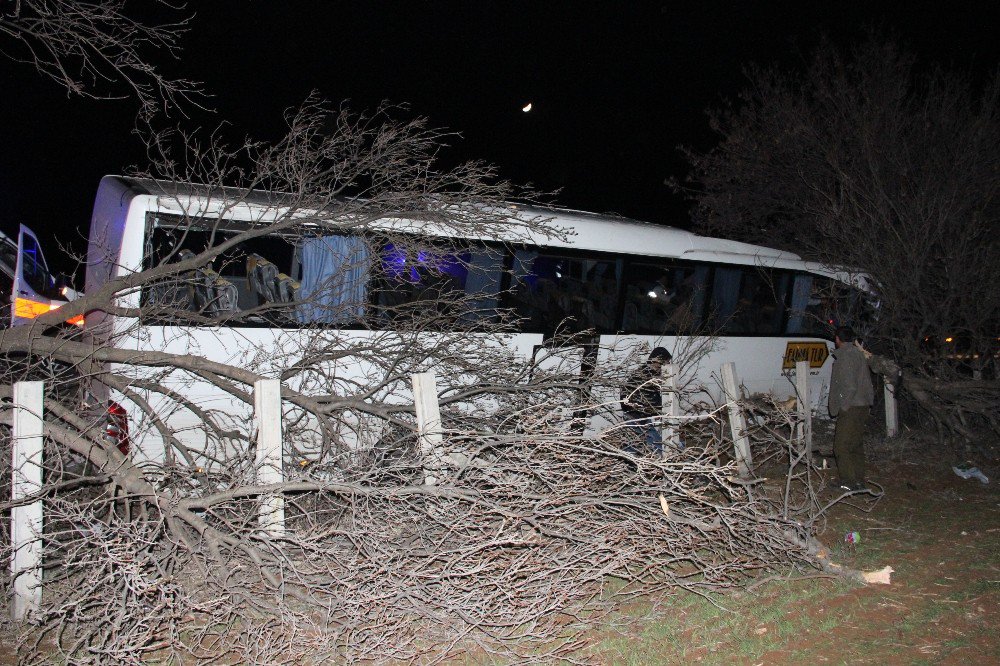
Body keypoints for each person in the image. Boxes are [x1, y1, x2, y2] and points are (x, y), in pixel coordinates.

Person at [828, 326, 874, 491]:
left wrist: (844, 406)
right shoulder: (858, 354)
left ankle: (848, 481)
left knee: (841, 446)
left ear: (837, 339)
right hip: (862, 404)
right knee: (855, 444)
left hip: (852, 406)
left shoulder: (846, 357)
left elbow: (850, 386)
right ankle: (859, 480)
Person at [621, 347, 672, 454]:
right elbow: (648, 398)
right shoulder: (645, 375)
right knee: (649, 443)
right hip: (637, 416)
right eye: (665, 362)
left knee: (634, 444)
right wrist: (658, 410)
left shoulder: (646, 372)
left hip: (637, 415)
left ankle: (628, 463)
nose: (666, 366)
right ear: (658, 361)